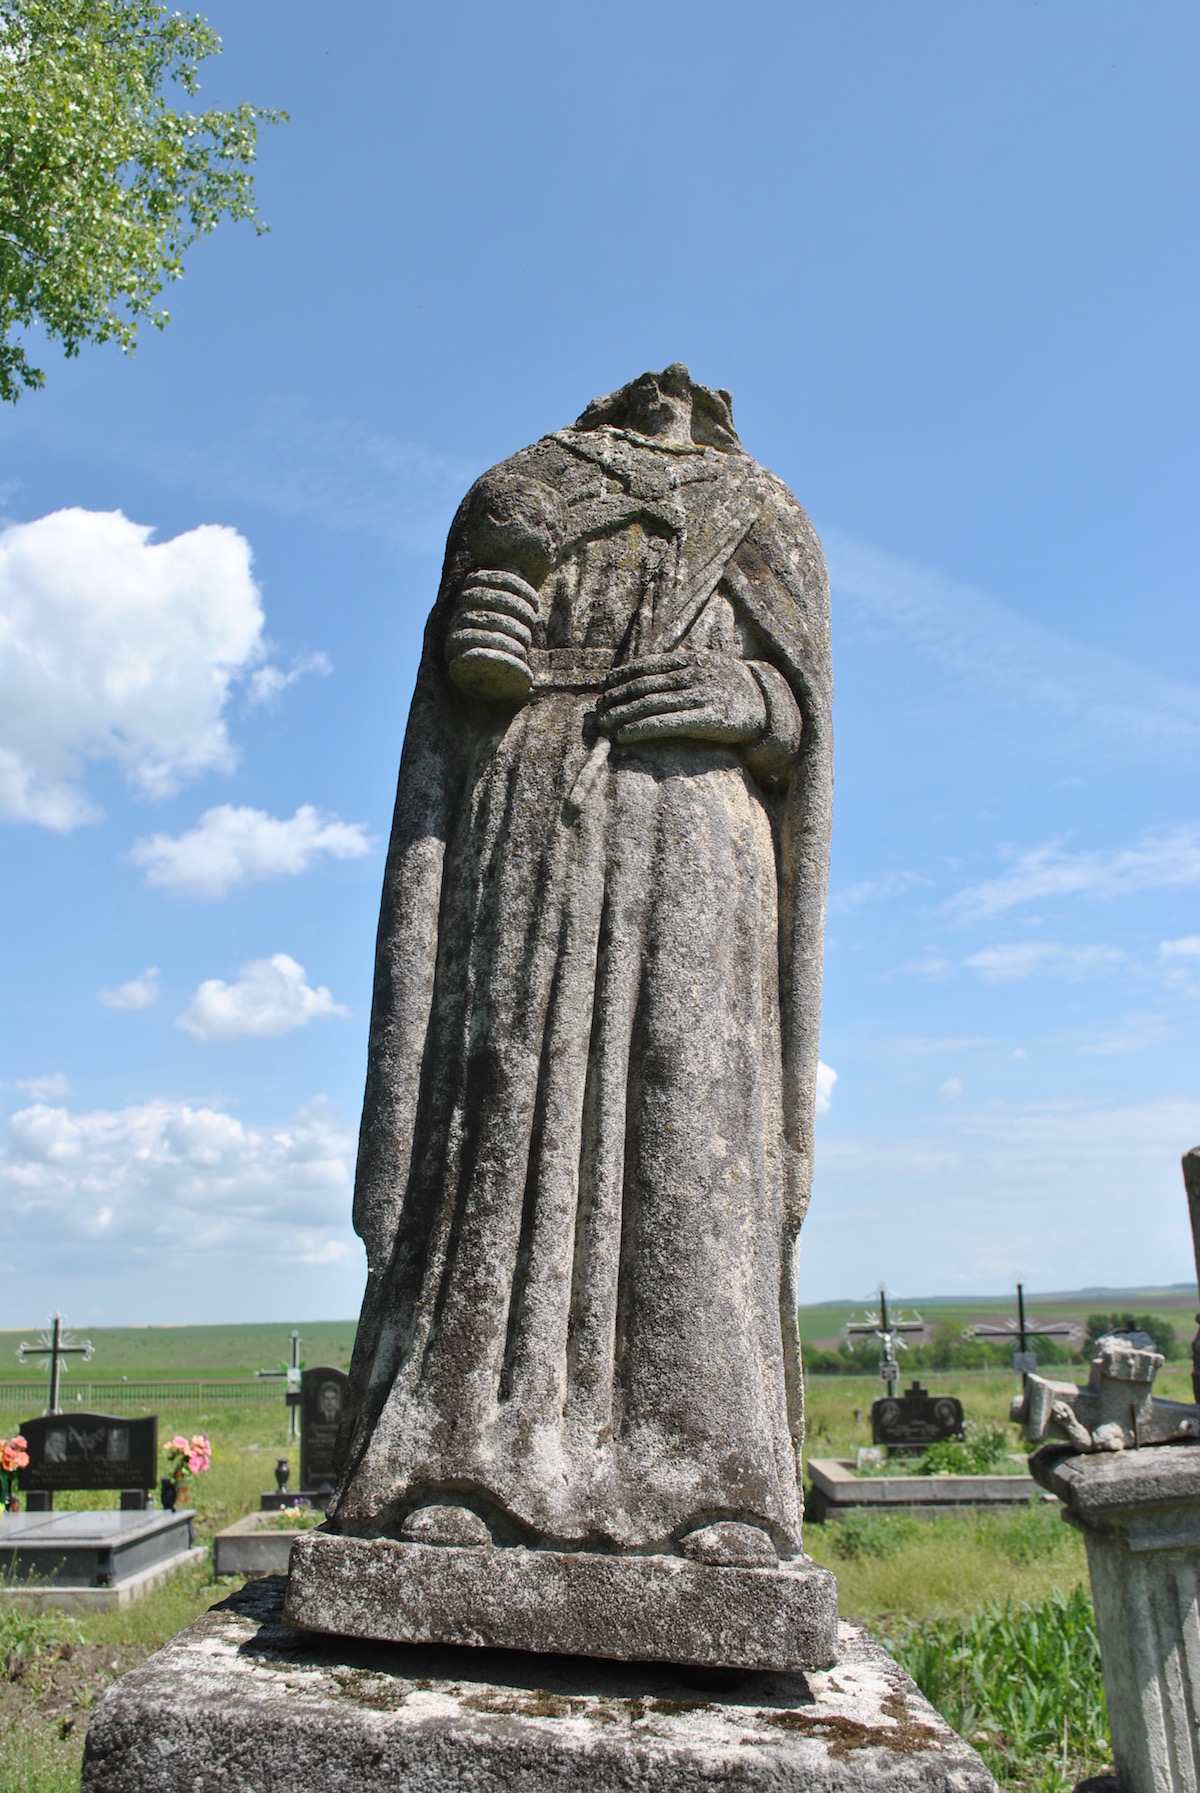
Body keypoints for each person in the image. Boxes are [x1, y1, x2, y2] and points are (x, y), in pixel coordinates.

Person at [329, 366, 833, 1566]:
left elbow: (805, 722)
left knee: (693, 1115)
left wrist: (751, 698)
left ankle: (715, 1477)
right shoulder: (519, 484)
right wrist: (471, 644)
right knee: (505, 1101)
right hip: (533, 813)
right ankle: (457, 1459)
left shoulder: (768, 507)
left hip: (701, 835)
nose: (671, 396)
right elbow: (452, 684)